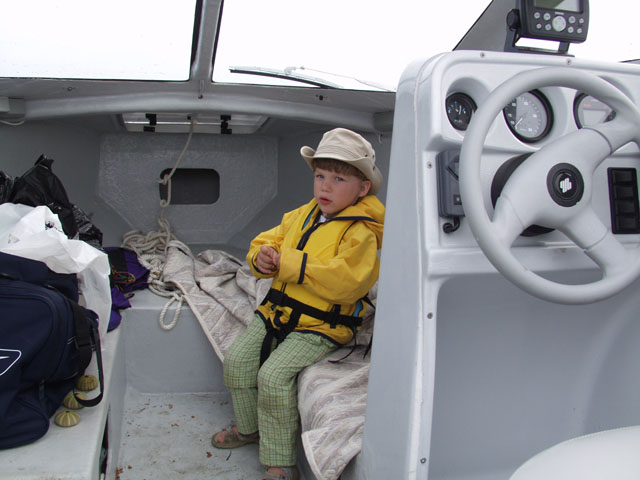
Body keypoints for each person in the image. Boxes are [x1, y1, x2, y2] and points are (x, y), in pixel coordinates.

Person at [211, 128, 385, 480]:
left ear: (363, 188)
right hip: (278, 310)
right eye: (320, 176)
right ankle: (249, 429)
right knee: (237, 361)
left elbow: (349, 281)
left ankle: (280, 461)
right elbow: (266, 240)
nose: (325, 187)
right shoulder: (302, 215)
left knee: (273, 378)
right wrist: (259, 257)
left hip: (321, 326)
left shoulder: (360, 232)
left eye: (339, 178)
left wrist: (290, 263)